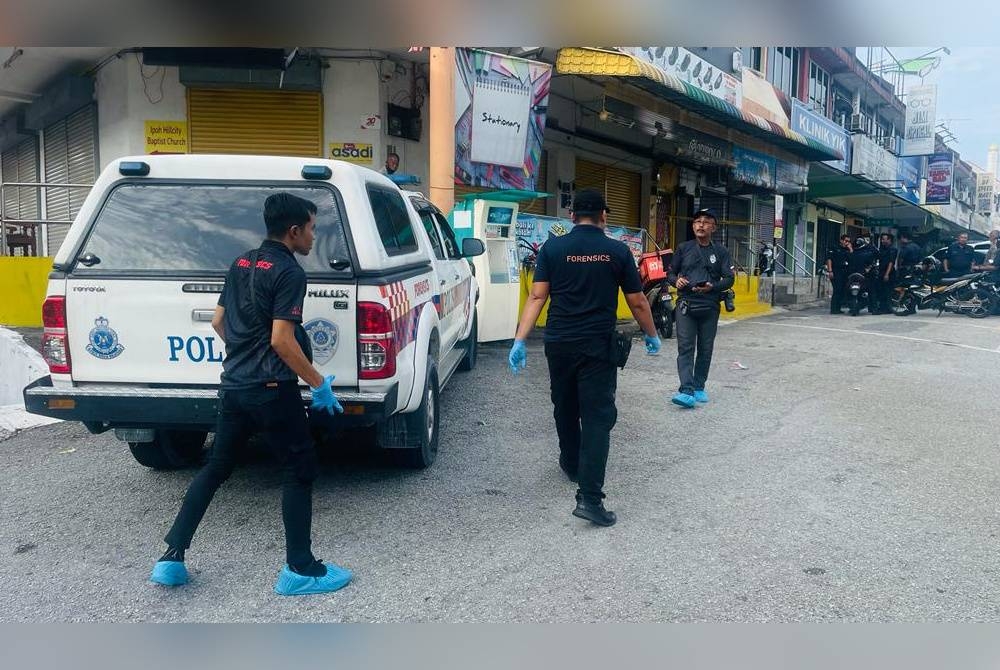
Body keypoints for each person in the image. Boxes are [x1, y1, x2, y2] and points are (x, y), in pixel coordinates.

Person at [150, 192, 352, 596]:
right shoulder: (290, 273)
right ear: (294, 231)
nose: (314, 237)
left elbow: (219, 323)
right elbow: (282, 340)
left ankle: (171, 558)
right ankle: (302, 569)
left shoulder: (240, 262)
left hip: (235, 386)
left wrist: (244, 355)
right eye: (312, 229)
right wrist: (319, 383)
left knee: (216, 468)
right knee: (299, 469)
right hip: (273, 390)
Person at [507, 188, 660, 528]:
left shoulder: (553, 248)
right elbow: (637, 301)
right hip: (596, 346)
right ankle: (590, 498)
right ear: (604, 216)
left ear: (572, 216)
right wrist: (651, 334)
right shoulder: (616, 250)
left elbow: (536, 297)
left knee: (564, 405)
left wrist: (519, 339)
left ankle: (571, 462)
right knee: (596, 416)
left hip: (559, 343)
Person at [667, 208, 735, 409]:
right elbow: (670, 273)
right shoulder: (683, 248)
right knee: (685, 348)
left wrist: (713, 286)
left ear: (713, 227)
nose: (701, 225)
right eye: (697, 221)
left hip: (710, 306)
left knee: (705, 349)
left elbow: (730, 278)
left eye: (706, 222)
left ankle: (699, 386)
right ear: (693, 225)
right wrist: (676, 281)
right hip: (686, 304)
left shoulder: (721, 251)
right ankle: (686, 390)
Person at [824, 234, 852, 314]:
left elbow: (852, 258)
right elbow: (829, 259)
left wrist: (850, 249)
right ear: (841, 240)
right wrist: (830, 271)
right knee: (837, 289)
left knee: (843, 290)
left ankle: (838, 308)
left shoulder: (847, 249)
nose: (847, 243)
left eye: (848, 241)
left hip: (845, 271)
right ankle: (834, 309)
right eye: (846, 241)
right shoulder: (834, 247)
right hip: (836, 271)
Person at [875, 233, 896, 314]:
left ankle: (887, 308)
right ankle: (883, 307)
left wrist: (887, 274)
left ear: (889, 240)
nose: (883, 241)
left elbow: (891, 262)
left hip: (889, 273)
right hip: (881, 271)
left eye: (884, 239)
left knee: (887, 291)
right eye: (882, 239)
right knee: (881, 291)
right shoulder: (882, 248)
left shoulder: (892, 249)